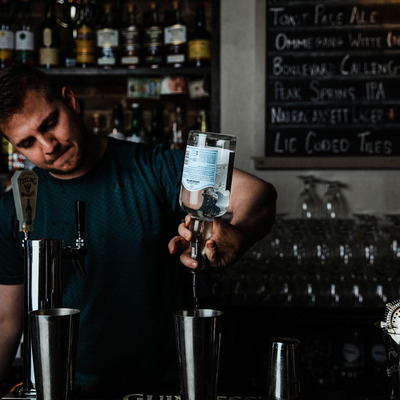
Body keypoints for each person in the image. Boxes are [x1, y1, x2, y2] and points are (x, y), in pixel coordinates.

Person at [0, 64, 277, 398]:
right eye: (27, 142)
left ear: (70, 101)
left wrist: (239, 235)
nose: (48, 146)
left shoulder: (154, 166)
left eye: (50, 124)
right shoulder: (15, 205)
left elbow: (257, 194)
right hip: (65, 390)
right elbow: (6, 320)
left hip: (161, 389)